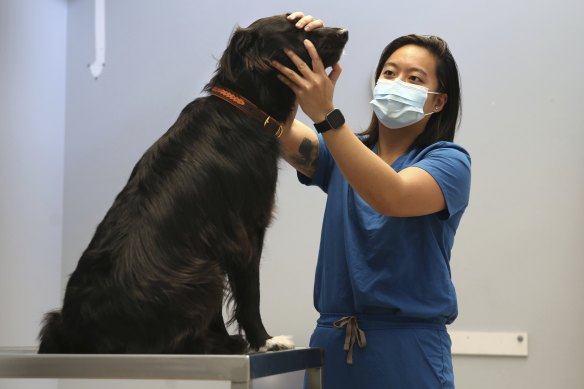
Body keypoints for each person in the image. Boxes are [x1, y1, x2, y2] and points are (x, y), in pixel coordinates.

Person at [271, 12, 471, 389]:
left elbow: (391, 195)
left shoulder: (449, 162)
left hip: (406, 349)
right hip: (331, 342)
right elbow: (273, 125)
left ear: (439, 101)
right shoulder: (342, 154)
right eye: (390, 73)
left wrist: (327, 117)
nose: (397, 83)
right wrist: (289, 45)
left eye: (414, 79)